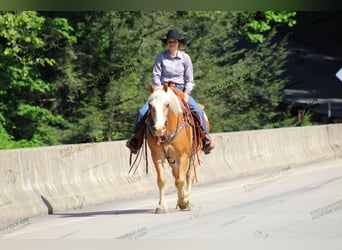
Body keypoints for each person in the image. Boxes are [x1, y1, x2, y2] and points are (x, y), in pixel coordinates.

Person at [126, 29, 214, 154]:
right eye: (169, 42)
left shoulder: (185, 58)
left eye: (174, 42)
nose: (172, 44)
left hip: (179, 89)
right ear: (167, 43)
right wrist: (158, 90)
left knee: (197, 111)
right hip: (163, 89)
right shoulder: (160, 57)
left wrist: (187, 93)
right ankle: (136, 140)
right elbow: (155, 76)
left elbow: (190, 80)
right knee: (142, 111)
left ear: (179, 43)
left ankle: (205, 138)